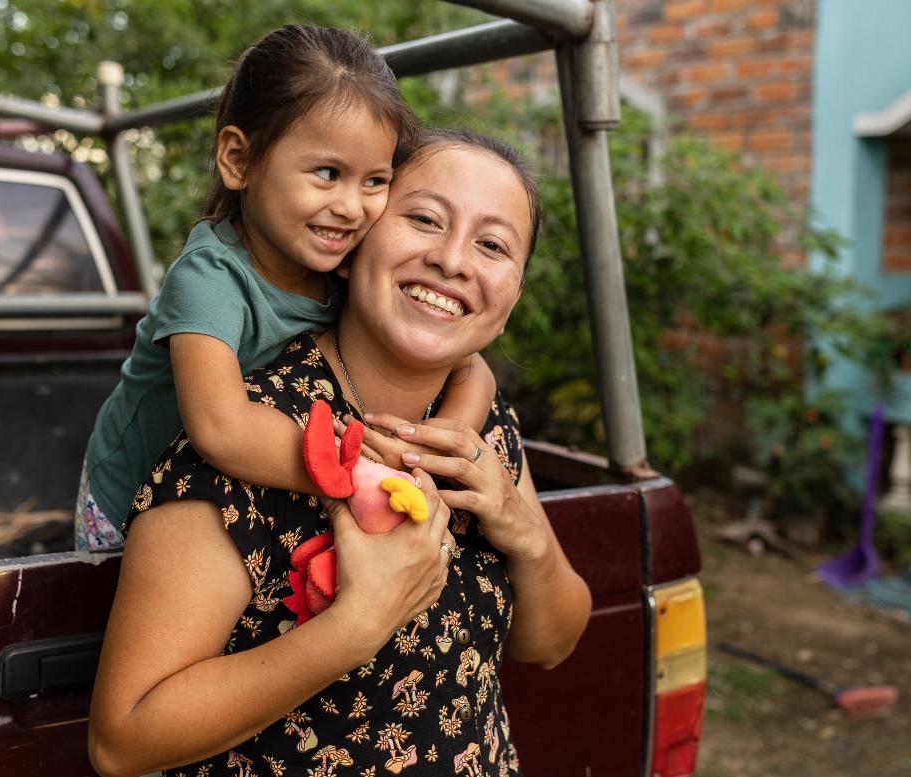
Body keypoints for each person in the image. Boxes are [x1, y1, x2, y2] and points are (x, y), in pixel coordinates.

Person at [87, 129, 592, 777]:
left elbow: (550, 642)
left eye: (492, 245)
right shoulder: (257, 437)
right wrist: (354, 627)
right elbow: (123, 738)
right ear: (353, 246)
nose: (453, 260)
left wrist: (525, 534)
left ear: (510, 297)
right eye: (424, 220)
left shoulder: (481, 428)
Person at [75, 25, 495, 550]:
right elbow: (221, 427)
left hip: (244, 494)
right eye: (326, 172)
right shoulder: (210, 277)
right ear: (238, 160)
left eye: (374, 181)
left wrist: (421, 457)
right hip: (128, 500)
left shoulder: (349, 263)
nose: (350, 206)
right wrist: (358, 470)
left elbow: (471, 368)